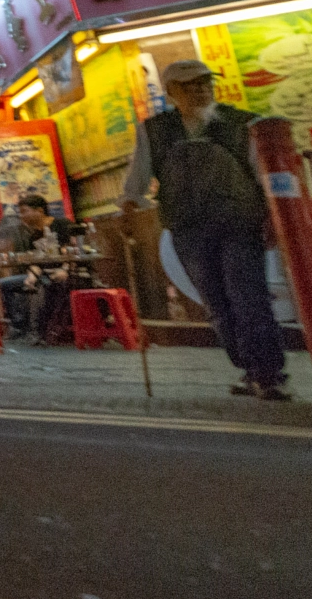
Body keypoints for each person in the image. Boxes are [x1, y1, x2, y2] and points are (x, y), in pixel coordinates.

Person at [123, 58, 290, 400]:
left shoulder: (241, 123)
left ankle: (269, 372)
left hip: (239, 223)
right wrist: (128, 204)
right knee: (216, 301)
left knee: (249, 297)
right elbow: (137, 180)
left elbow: (262, 175)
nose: (200, 90)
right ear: (171, 93)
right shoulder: (153, 130)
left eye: (204, 83)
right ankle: (249, 368)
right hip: (188, 228)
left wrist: (274, 216)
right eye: (190, 85)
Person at [0, 194, 73, 336]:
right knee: (4, 284)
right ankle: (19, 326)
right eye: (20, 212)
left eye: (25, 211)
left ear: (40, 211)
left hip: (67, 272)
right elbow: (36, 261)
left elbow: (72, 251)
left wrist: (65, 269)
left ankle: (44, 328)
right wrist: (31, 275)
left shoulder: (62, 225)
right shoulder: (34, 235)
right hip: (42, 274)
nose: (22, 216)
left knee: (47, 285)